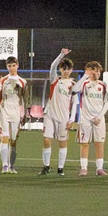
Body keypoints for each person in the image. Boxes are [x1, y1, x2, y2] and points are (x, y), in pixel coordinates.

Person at [72, 61, 108, 176]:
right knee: (85, 143)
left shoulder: (103, 85)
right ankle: (84, 168)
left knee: (99, 143)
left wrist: (99, 117)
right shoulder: (84, 84)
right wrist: (84, 76)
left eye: (98, 71)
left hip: (99, 119)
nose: (96, 73)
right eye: (93, 71)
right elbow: (74, 90)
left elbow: (107, 102)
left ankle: (99, 168)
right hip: (85, 119)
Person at [41, 48, 75, 176]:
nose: (66, 71)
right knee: (46, 140)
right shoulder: (55, 80)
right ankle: (46, 166)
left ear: (71, 70)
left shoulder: (73, 84)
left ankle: (60, 168)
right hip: (50, 115)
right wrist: (61, 55)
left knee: (62, 142)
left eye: (68, 69)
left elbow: (75, 104)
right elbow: (52, 66)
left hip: (64, 117)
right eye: (63, 68)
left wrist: (71, 120)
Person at [0, 56, 27, 174]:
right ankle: (5, 165)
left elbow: (23, 98)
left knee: (13, 141)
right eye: (9, 66)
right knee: (5, 137)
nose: (11, 68)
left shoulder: (22, 82)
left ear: (17, 65)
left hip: (16, 112)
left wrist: (24, 114)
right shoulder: (3, 80)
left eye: (13, 65)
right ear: (7, 66)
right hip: (3, 110)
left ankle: (12, 165)